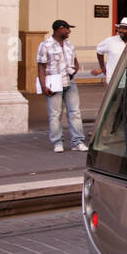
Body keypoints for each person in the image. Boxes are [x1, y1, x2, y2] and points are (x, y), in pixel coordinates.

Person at [36, 19, 87, 153]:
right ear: (59, 29)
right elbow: (41, 67)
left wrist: (75, 68)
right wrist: (43, 86)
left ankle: (77, 142)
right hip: (54, 85)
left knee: (75, 112)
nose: (69, 31)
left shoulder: (70, 45)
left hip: (70, 83)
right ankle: (57, 142)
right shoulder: (45, 45)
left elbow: (75, 61)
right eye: (67, 29)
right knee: (55, 115)